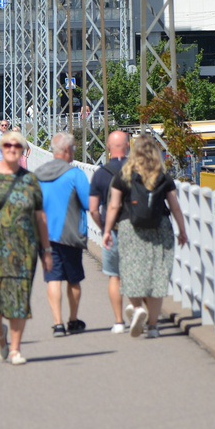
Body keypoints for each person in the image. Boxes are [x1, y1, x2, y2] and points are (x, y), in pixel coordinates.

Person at [0, 130, 53, 365]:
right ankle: (0, 334)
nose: (12, 149)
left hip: (24, 250)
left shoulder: (30, 180)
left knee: (19, 299)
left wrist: (46, 250)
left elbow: (40, 217)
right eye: (8, 145)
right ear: (2, 148)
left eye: (17, 145)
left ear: (22, 149)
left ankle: (15, 349)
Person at [102, 134, 188, 338]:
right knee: (157, 276)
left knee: (131, 271)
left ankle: (137, 307)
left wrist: (106, 231)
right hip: (161, 228)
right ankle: (153, 327)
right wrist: (182, 231)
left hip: (130, 227)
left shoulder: (122, 175)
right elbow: (175, 207)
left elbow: (113, 205)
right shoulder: (163, 177)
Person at [35, 133, 90, 337]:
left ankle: (57, 324)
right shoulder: (75, 174)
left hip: (45, 235)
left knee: (53, 279)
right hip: (70, 234)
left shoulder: (38, 173)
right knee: (73, 280)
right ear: (66, 150)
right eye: (74, 148)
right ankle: (73, 320)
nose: (74, 152)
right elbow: (88, 203)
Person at [89, 130, 130, 333]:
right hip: (137, 229)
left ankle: (119, 321)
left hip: (113, 230)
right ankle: (141, 311)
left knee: (115, 276)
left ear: (108, 147)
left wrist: (103, 228)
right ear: (128, 146)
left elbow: (94, 209)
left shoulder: (101, 173)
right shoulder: (138, 170)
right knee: (135, 272)